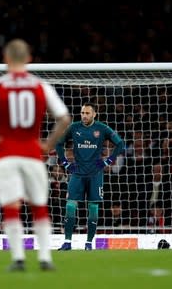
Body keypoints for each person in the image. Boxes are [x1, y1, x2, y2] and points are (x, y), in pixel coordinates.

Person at [0, 38, 71, 272]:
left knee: (11, 207)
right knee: (39, 206)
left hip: (5, 155)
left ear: (5, 59)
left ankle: (18, 259)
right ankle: (45, 259)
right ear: (29, 59)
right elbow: (64, 118)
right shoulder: (41, 86)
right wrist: (47, 144)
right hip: (33, 153)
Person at [56, 102, 125, 251]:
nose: (84, 116)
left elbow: (120, 144)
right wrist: (66, 164)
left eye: (87, 113)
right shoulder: (74, 128)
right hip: (78, 173)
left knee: (93, 207)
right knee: (70, 205)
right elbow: (58, 144)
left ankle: (88, 244)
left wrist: (107, 161)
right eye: (82, 113)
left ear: (94, 114)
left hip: (95, 173)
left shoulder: (101, 128)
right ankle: (67, 242)